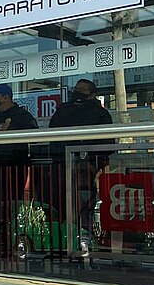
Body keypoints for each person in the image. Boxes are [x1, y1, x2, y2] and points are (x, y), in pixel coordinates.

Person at [48, 78, 113, 252]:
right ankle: (61, 245)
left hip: (86, 167)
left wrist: (99, 166)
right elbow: (52, 134)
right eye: (76, 88)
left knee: (83, 208)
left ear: (92, 94)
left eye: (83, 89)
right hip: (61, 165)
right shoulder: (63, 110)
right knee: (60, 206)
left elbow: (107, 143)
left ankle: (83, 245)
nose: (78, 92)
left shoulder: (100, 114)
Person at [0, 84, 38, 259]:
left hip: (12, 167)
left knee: (9, 208)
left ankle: (10, 246)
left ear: (5, 97)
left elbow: (34, 138)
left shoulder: (23, 117)